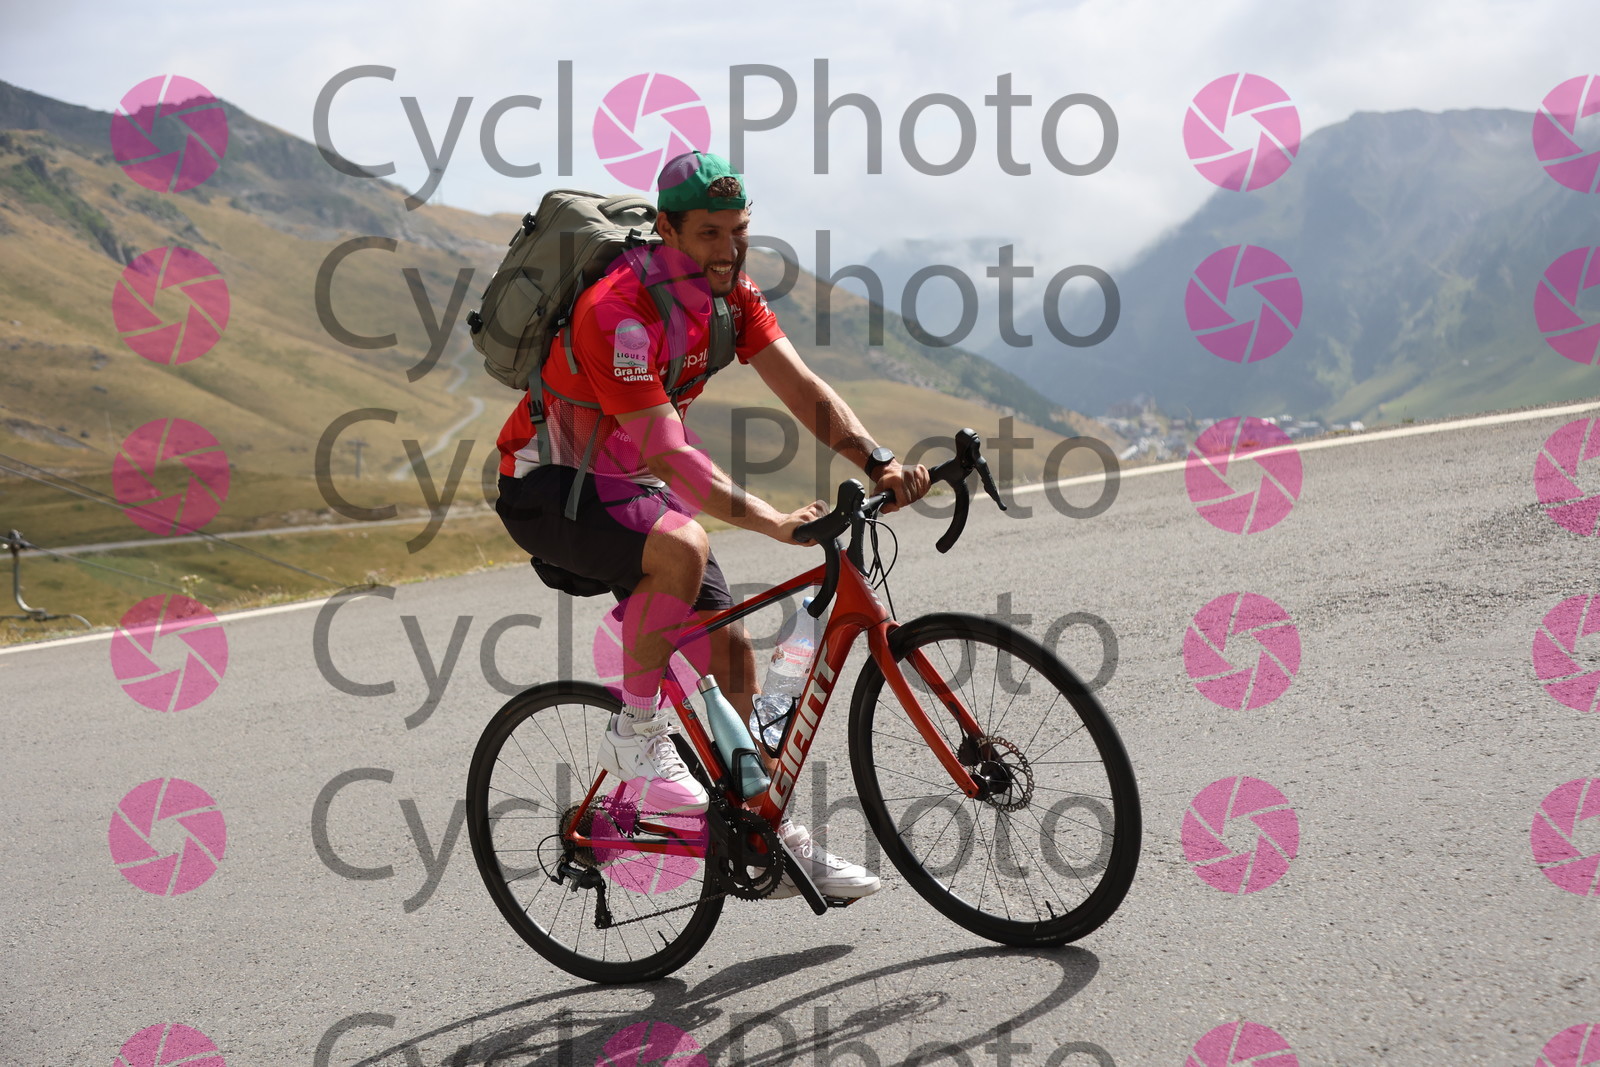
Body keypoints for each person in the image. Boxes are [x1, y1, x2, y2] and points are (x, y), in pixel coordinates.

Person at [492, 151, 929, 899]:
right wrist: (772, 521)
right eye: (709, 233)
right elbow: (669, 450)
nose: (728, 250)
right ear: (666, 231)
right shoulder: (616, 312)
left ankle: (764, 837)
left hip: (632, 483)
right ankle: (635, 735)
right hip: (550, 486)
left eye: (739, 230)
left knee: (730, 656)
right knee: (682, 546)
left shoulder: (732, 297)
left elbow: (802, 386)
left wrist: (877, 458)